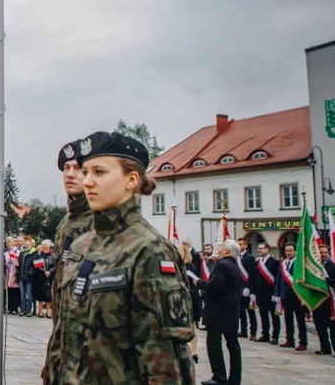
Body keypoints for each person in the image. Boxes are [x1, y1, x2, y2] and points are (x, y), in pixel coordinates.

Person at [50, 131, 195, 384]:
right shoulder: (83, 245)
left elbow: (165, 364)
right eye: (87, 172)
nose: (87, 182)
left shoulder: (150, 250)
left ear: (131, 179)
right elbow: (64, 336)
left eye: (100, 172)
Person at [41, 140, 94, 384]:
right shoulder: (65, 223)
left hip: (90, 349)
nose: (70, 175)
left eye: (79, 168)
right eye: (66, 168)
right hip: (61, 340)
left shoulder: (100, 222)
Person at [196, 239, 244, 385]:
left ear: (227, 251)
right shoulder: (235, 266)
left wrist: (198, 283)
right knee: (233, 344)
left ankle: (219, 376)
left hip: (218, 311)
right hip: (231, 310)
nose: (219, 248)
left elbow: (214, 286)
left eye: (222, 247)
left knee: (214, 343)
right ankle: (235, 378)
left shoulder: (222, 265)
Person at [312, 244, 335, 357]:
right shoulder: (314, 266)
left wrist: (323, 279)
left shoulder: (334, 266)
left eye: (325, 252)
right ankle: (325, 348)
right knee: (320, 327)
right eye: (321, 252)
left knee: (334, 328)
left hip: (330, 302)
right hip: (317, 300)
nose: (323, 254)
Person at [275, 243, 307, 350]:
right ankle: (289, 340)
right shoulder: (283, 264)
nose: (288, 253)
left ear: (295, 251)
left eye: (290, 250)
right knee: (288, 319)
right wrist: (277, 294)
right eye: (286, 250)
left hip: (297, 296)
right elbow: (279, 280)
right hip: (285, 295)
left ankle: (303, 341)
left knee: (300, 320)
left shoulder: (299, 264)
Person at [253, 242, 280, 344]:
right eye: (258, 249)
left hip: (271, 293)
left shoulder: (274, 262)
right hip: (260, 293)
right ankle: (265, 334)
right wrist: (253, 292)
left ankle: (275, 336)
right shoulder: (257, 262)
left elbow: (277, 279)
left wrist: (276, 293)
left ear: (267, 249)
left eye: (262, 248)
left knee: (274, 316)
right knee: (263, 315)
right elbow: (255, 278)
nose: (259, 250)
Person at [236, 238, 258, 340]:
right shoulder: (236, 258)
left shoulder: (249, 258)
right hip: (238, 287)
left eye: (240, 244)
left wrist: (249, 287)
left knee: (250, 312)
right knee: (241, 311)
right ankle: (243, 330)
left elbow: (252, 274)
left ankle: (253, 332)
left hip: (247, 288)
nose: (238, 246)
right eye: (237, 244)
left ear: (245, 246)